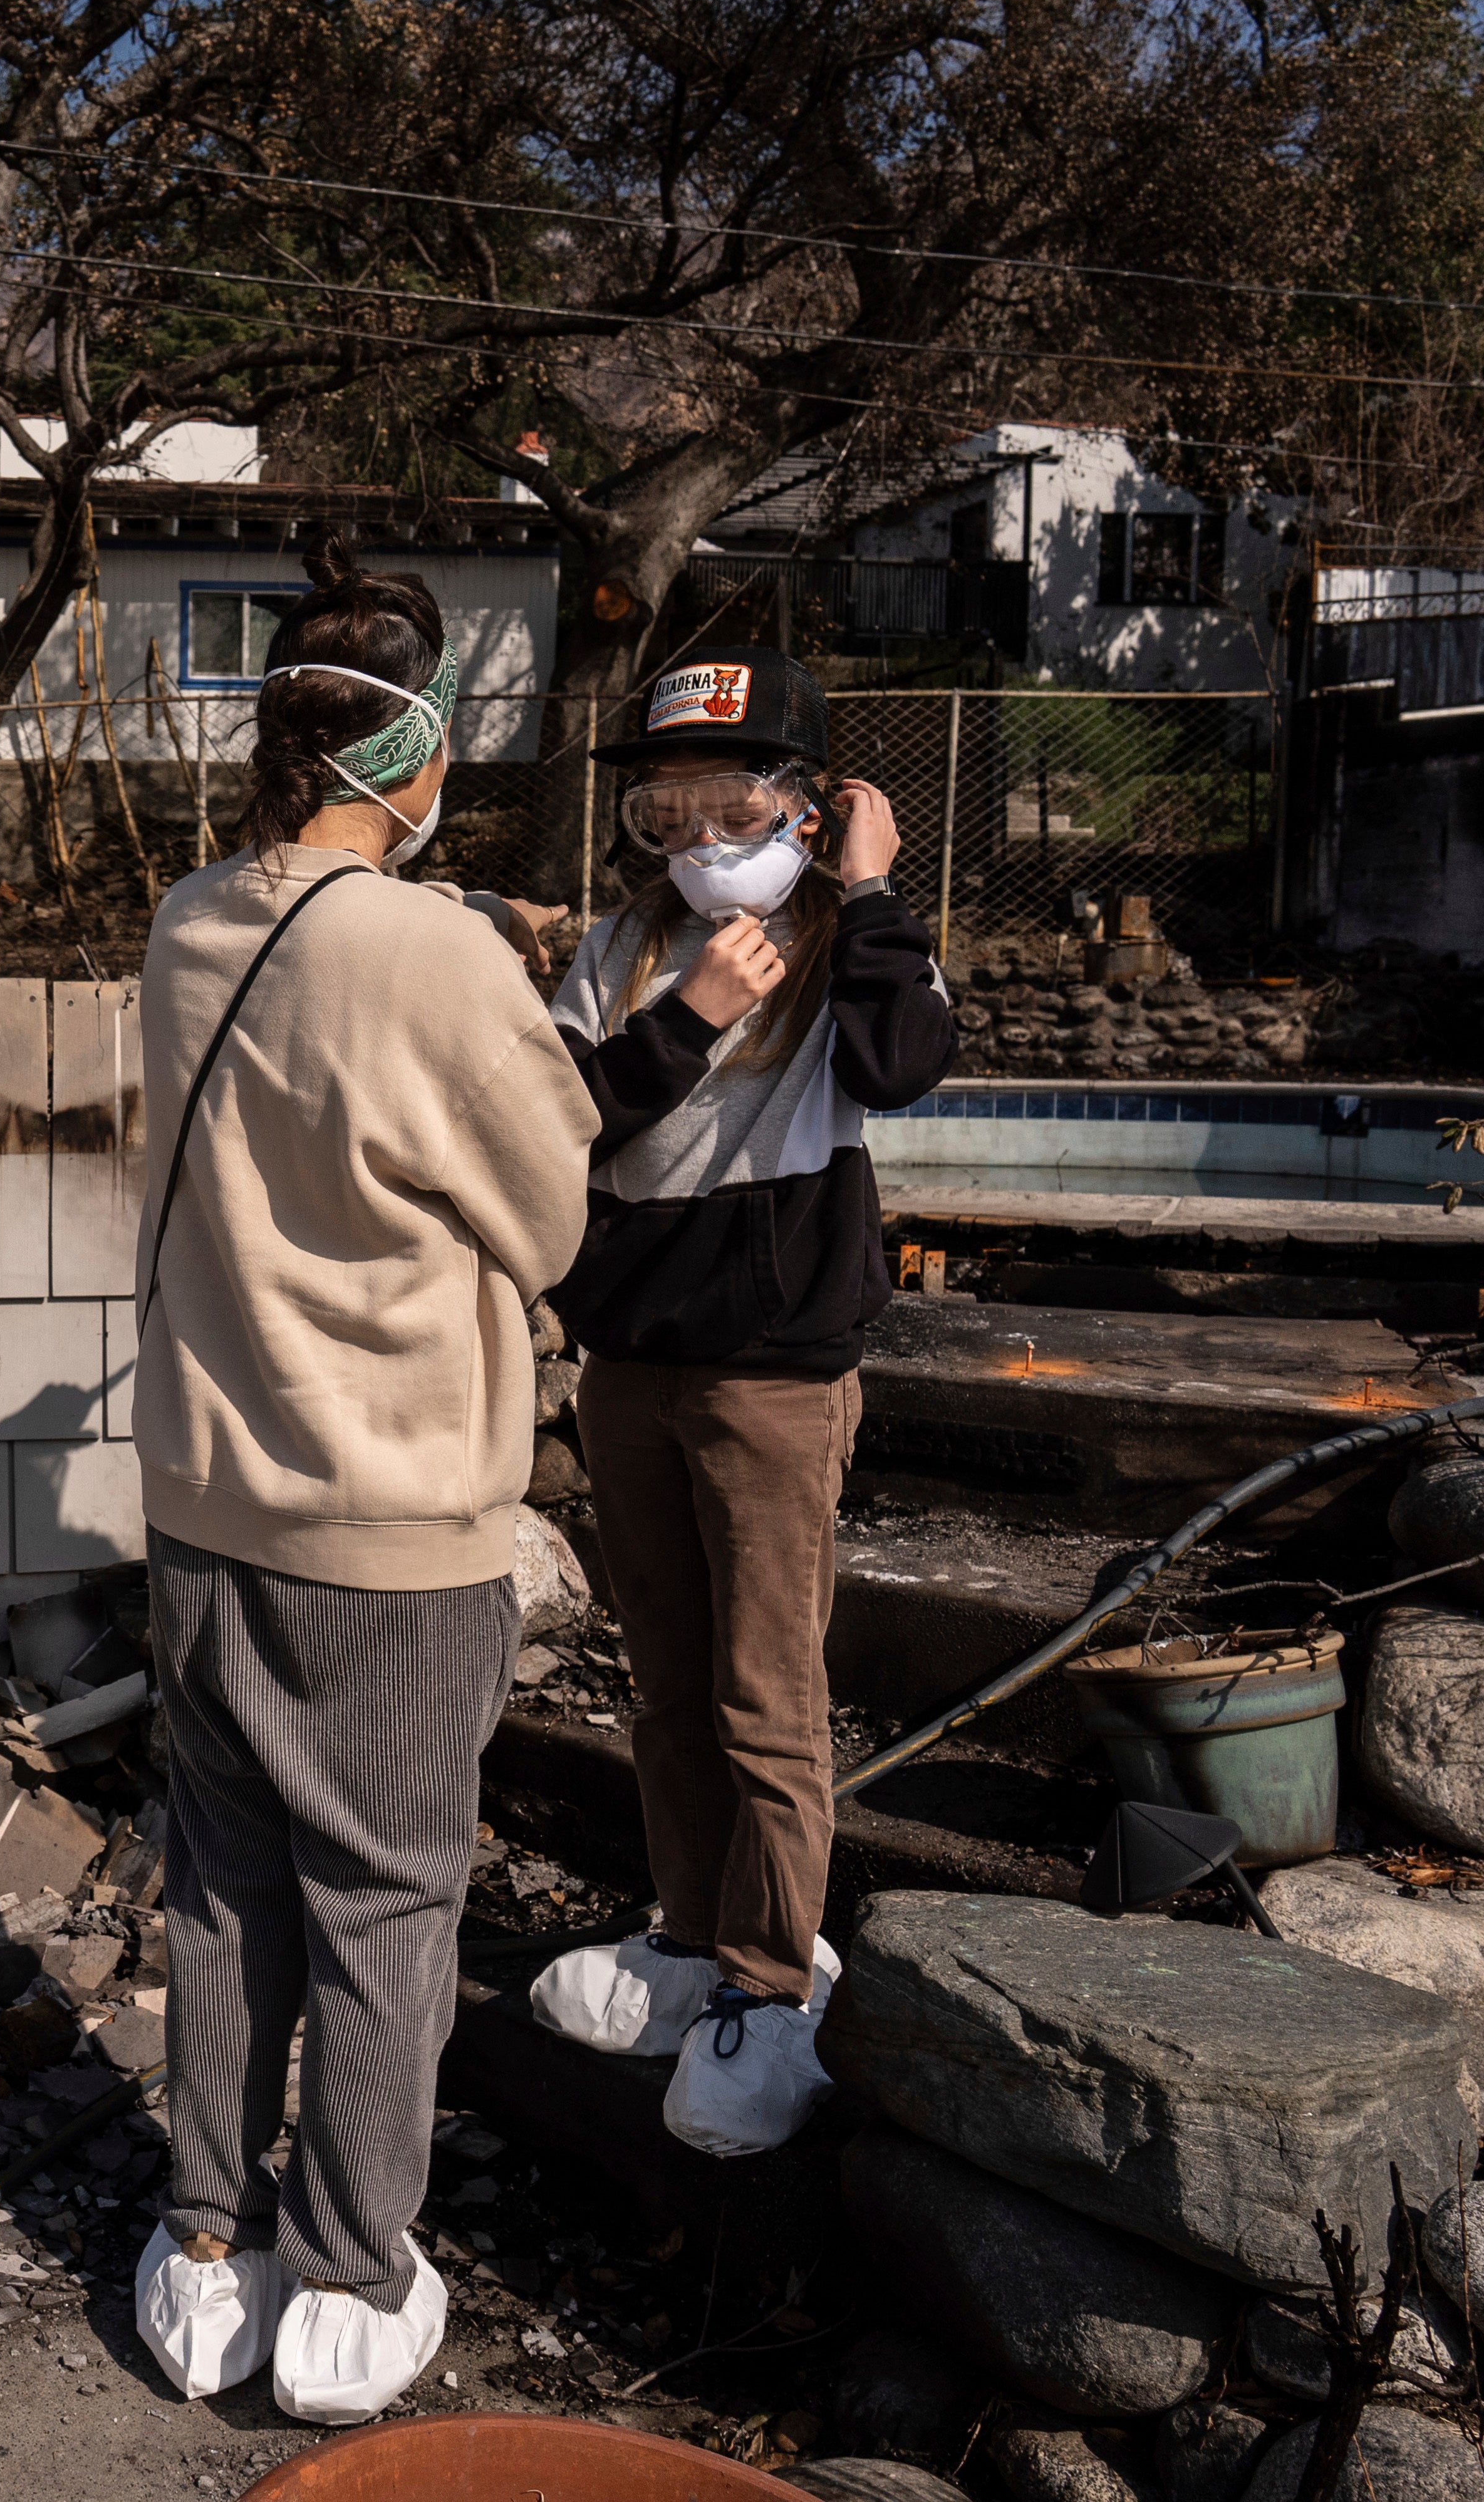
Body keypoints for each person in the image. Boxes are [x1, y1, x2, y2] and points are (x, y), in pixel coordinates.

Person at [127, 532, 599, 2422]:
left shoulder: (182, 922)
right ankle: (348, 2279)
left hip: (202, 1496)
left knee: (224, 1889)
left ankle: (205, 2250)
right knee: (389, 1903)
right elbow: (553, 1211)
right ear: (420, 757)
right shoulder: (443, 950)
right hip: (391, 1518)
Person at [524, 646, 957, 2157]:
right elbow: (561, 1123)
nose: (703, 839)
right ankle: (691, 1931)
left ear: (806, 800)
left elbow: (908, 1068)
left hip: (777, 1374)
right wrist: (693, 1011)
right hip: (631, 1361)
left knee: (766, 1695)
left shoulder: (852, 940)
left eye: (736, 804)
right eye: (670, 810)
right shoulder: (621, 948)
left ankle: (772, 1982)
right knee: (660, 1679)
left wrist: (877, 881)